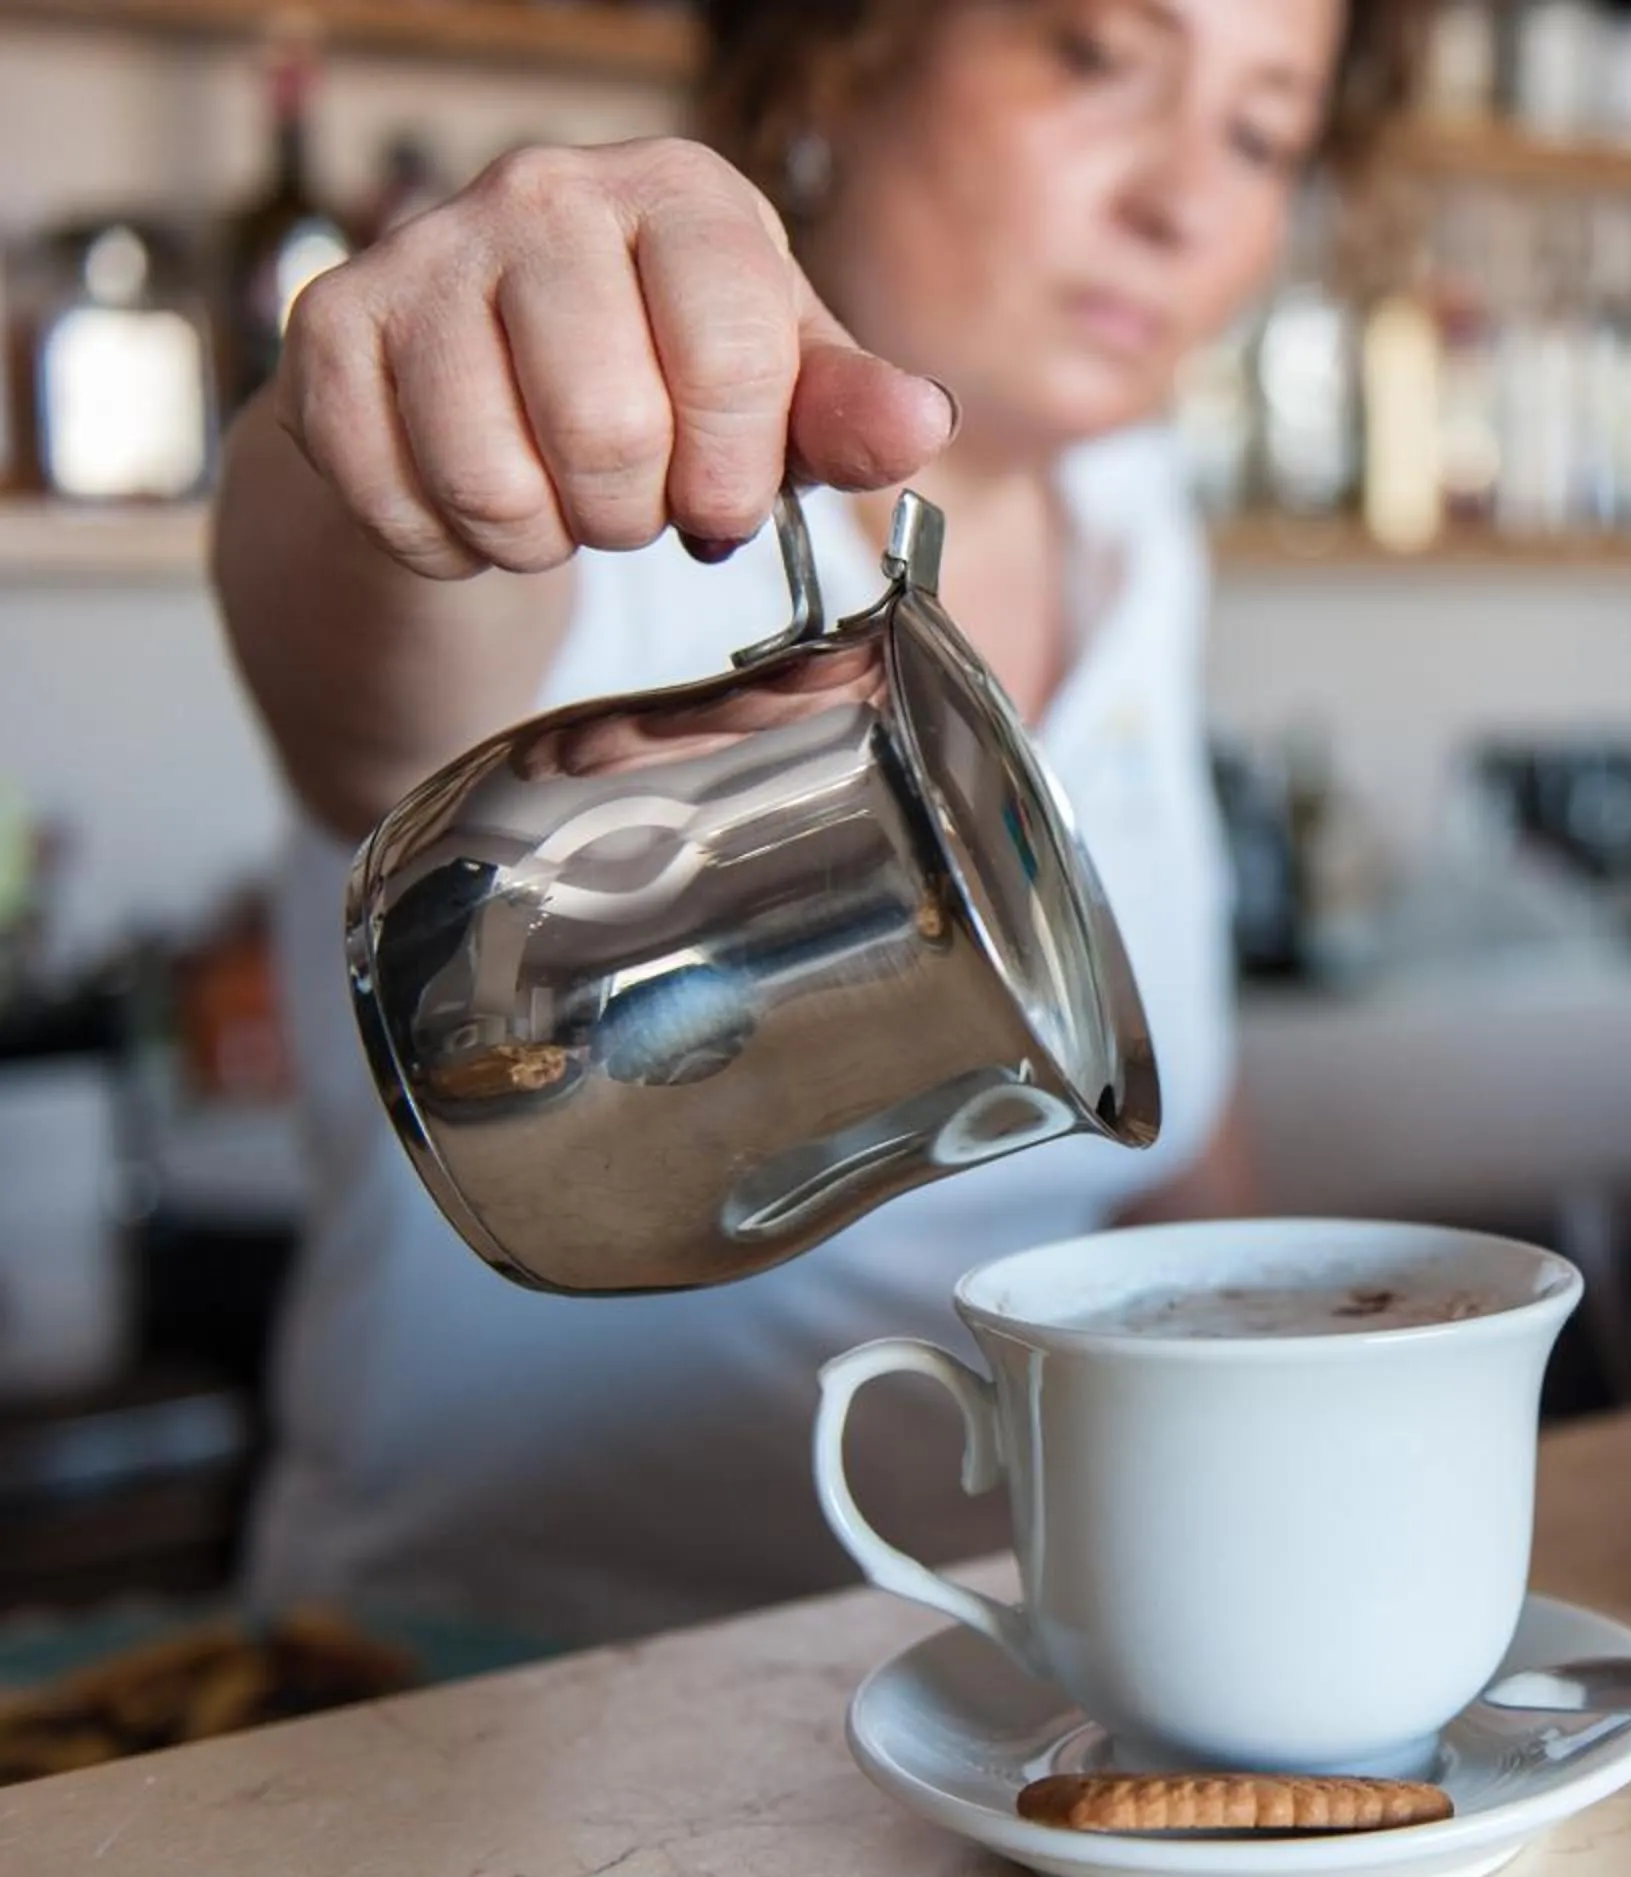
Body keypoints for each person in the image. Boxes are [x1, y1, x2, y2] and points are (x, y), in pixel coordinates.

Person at [214, 0, 1376, 1644]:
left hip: (986, 1673)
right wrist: (392, 408)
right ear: (845, 55)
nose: (1182, 202)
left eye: (1262, 131)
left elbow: (1179, 1139)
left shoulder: (1131, 513)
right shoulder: (611, 476)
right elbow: (358, 684)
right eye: (1097, 55)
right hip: (465, 1709)